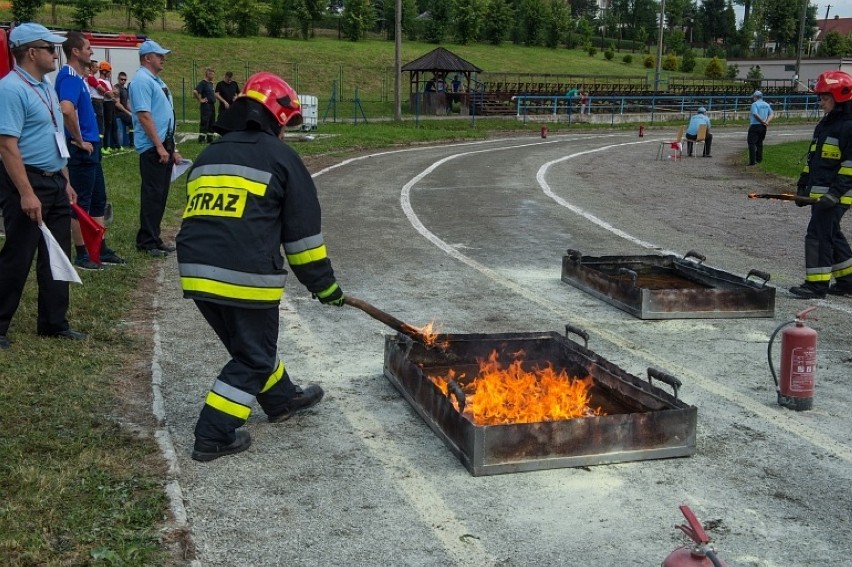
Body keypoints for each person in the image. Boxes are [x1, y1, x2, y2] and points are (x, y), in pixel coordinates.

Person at [176, 72, 345, 461]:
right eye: (285, 125)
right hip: (244, 273)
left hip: (196, 270)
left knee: (248, 344)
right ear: (274, 118)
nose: (285, 134)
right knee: (253, 357)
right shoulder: (282, 157)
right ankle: (213, 434)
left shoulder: (210, 154)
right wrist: (324, 286)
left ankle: (282, 399)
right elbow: (302, 239)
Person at [0, 23, 86, 349]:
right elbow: (7, 146)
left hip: (53, 181)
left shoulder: (46, 85)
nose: (56, 54)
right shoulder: (10, 89)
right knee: (18, 255)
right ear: (31, 52)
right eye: (51, 48)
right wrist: (26, 192)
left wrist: (64, 179)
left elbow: (54, 135)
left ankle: (53, 322)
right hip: (26, 180)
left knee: (57, 254)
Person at [55, 31, 125, 268]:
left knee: (97, 200)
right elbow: (66, 109)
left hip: (91, 148)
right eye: (87, 48)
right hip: (82, 150)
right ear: (75, 51)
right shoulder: (70, 77)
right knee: (81, 202)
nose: (92, 51)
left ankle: (99, 248)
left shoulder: (79, 78)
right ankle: (82, 254)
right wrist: (78, 139)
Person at [789, 71, 852, 299]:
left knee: (817, 235)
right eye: (821, 98)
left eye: (825, 98)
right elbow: (813, 160)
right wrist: (802, 186)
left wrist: (834, 194)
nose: (821, 102)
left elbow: (850, 168)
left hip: (839, 194)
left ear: (840, 99)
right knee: (832, 234)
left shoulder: (849, 127)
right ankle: (847, 282)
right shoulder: (825, 125)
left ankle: (816, 286)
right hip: (820, 194)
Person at [129, 39, 182, 257]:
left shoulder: (155, 80)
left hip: (163, 144)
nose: (163, 58)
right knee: (152, 193)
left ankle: (154, 236)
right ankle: (147, 241)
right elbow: (144, 115)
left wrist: (173, 147)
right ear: (147, 58)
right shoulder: (141, 80)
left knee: (160, 194)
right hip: (153, 146)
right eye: (159, 55)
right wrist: (159, 146)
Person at [97, 61, 119, 152]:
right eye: (109, 71)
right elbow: (108, 94)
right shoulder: (100, 81)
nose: (110, 73)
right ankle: (106, 146)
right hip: (107, 104)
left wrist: (112, 93)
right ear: (104, 72)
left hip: (111, 104)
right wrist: (112, 93)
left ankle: (115, 145)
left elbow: (115, 91)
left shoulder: (107, 81)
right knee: (107, 125)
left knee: (114, 125)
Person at [747, 90, 773, 166]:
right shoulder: (766, 104)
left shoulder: (754, 104)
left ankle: (752, 161)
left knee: (751, 143)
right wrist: (767, 121)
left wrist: (761, 121)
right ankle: (759, 159)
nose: (753, 98)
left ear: (755, 97)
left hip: (755, 125)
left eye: (753, 97)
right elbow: (771, 114)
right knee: (759, 142)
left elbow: (755, 114)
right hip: (763, 127)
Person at [193, 67, 216, 144]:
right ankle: (202, 139)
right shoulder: (203, 83)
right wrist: (200, 100)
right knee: (205, 122)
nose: (213, 76)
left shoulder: (211, 83)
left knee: (212, 122)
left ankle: (210, 138)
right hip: (206, 106)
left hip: (212, 105)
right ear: (208, 74)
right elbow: (195, 91)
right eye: (212, 75)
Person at [114, 71, 133, 147]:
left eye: (125, 80)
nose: (123, 81)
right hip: (117, 112)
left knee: (134, 119)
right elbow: (117, 104)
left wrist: (132, 112)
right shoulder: (116, 88)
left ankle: (132, 142)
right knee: (131, 120)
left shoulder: (125, 89)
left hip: (124, 112)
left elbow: (127, 103)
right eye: (122, 79)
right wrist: (128, 112)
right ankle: (131, 143)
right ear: (118, 79)